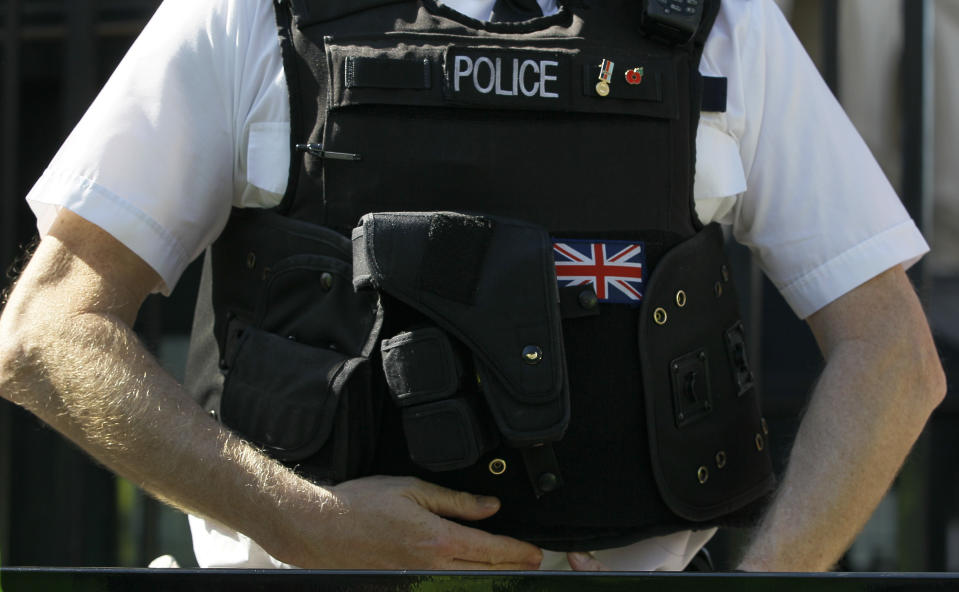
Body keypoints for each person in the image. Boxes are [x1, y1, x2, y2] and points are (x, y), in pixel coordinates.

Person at [0, 0, 944, 572]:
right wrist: (301, 523)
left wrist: (771, 576)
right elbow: (47, 333)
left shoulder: (720, 28)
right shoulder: (252, 17)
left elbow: (893, 357)